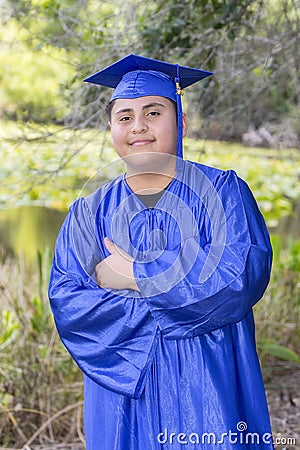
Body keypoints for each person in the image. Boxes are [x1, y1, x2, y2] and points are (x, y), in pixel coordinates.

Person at [48, 54, 274, 449]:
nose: (138, 127)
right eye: (124, 117)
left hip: (208, 387)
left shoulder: (224, 192)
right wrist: (178, 293)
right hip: (122, 392)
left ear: (181, 123)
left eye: (153, 112)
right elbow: (70, 303)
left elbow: (237, 278)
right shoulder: (89, 212)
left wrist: (137, 277)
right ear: (111, 128)